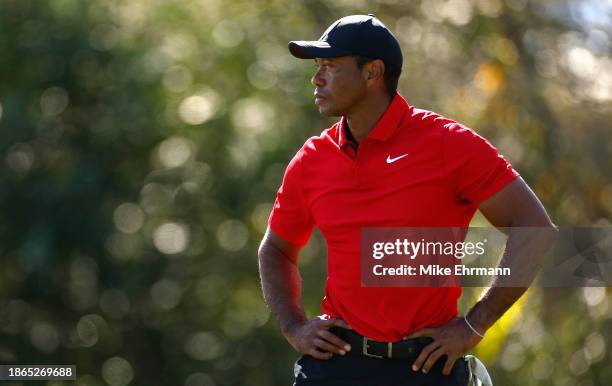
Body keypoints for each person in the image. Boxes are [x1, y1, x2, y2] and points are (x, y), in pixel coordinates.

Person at [258, 14, 557, 386]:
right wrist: (294, 326)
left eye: (331, 66)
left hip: (428, 367)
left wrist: (473, 326)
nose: (317, 79)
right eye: (318, 67)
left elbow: (535, 230)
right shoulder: (313, 158)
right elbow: (276, 250)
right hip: (337, 365)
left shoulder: (449, 144)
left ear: (373, 73)